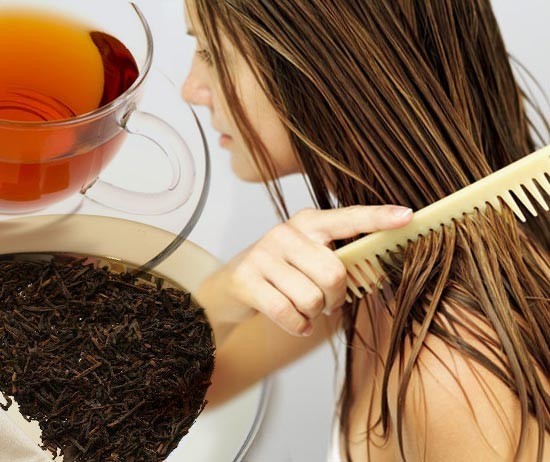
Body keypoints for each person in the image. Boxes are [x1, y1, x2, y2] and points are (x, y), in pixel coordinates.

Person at [182, 1, 550, 461]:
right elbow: (177, 395)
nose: (191, 89)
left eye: (211, 51)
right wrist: (223, 296)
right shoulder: (382, 260)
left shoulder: (455, 378)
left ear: (326, 63)